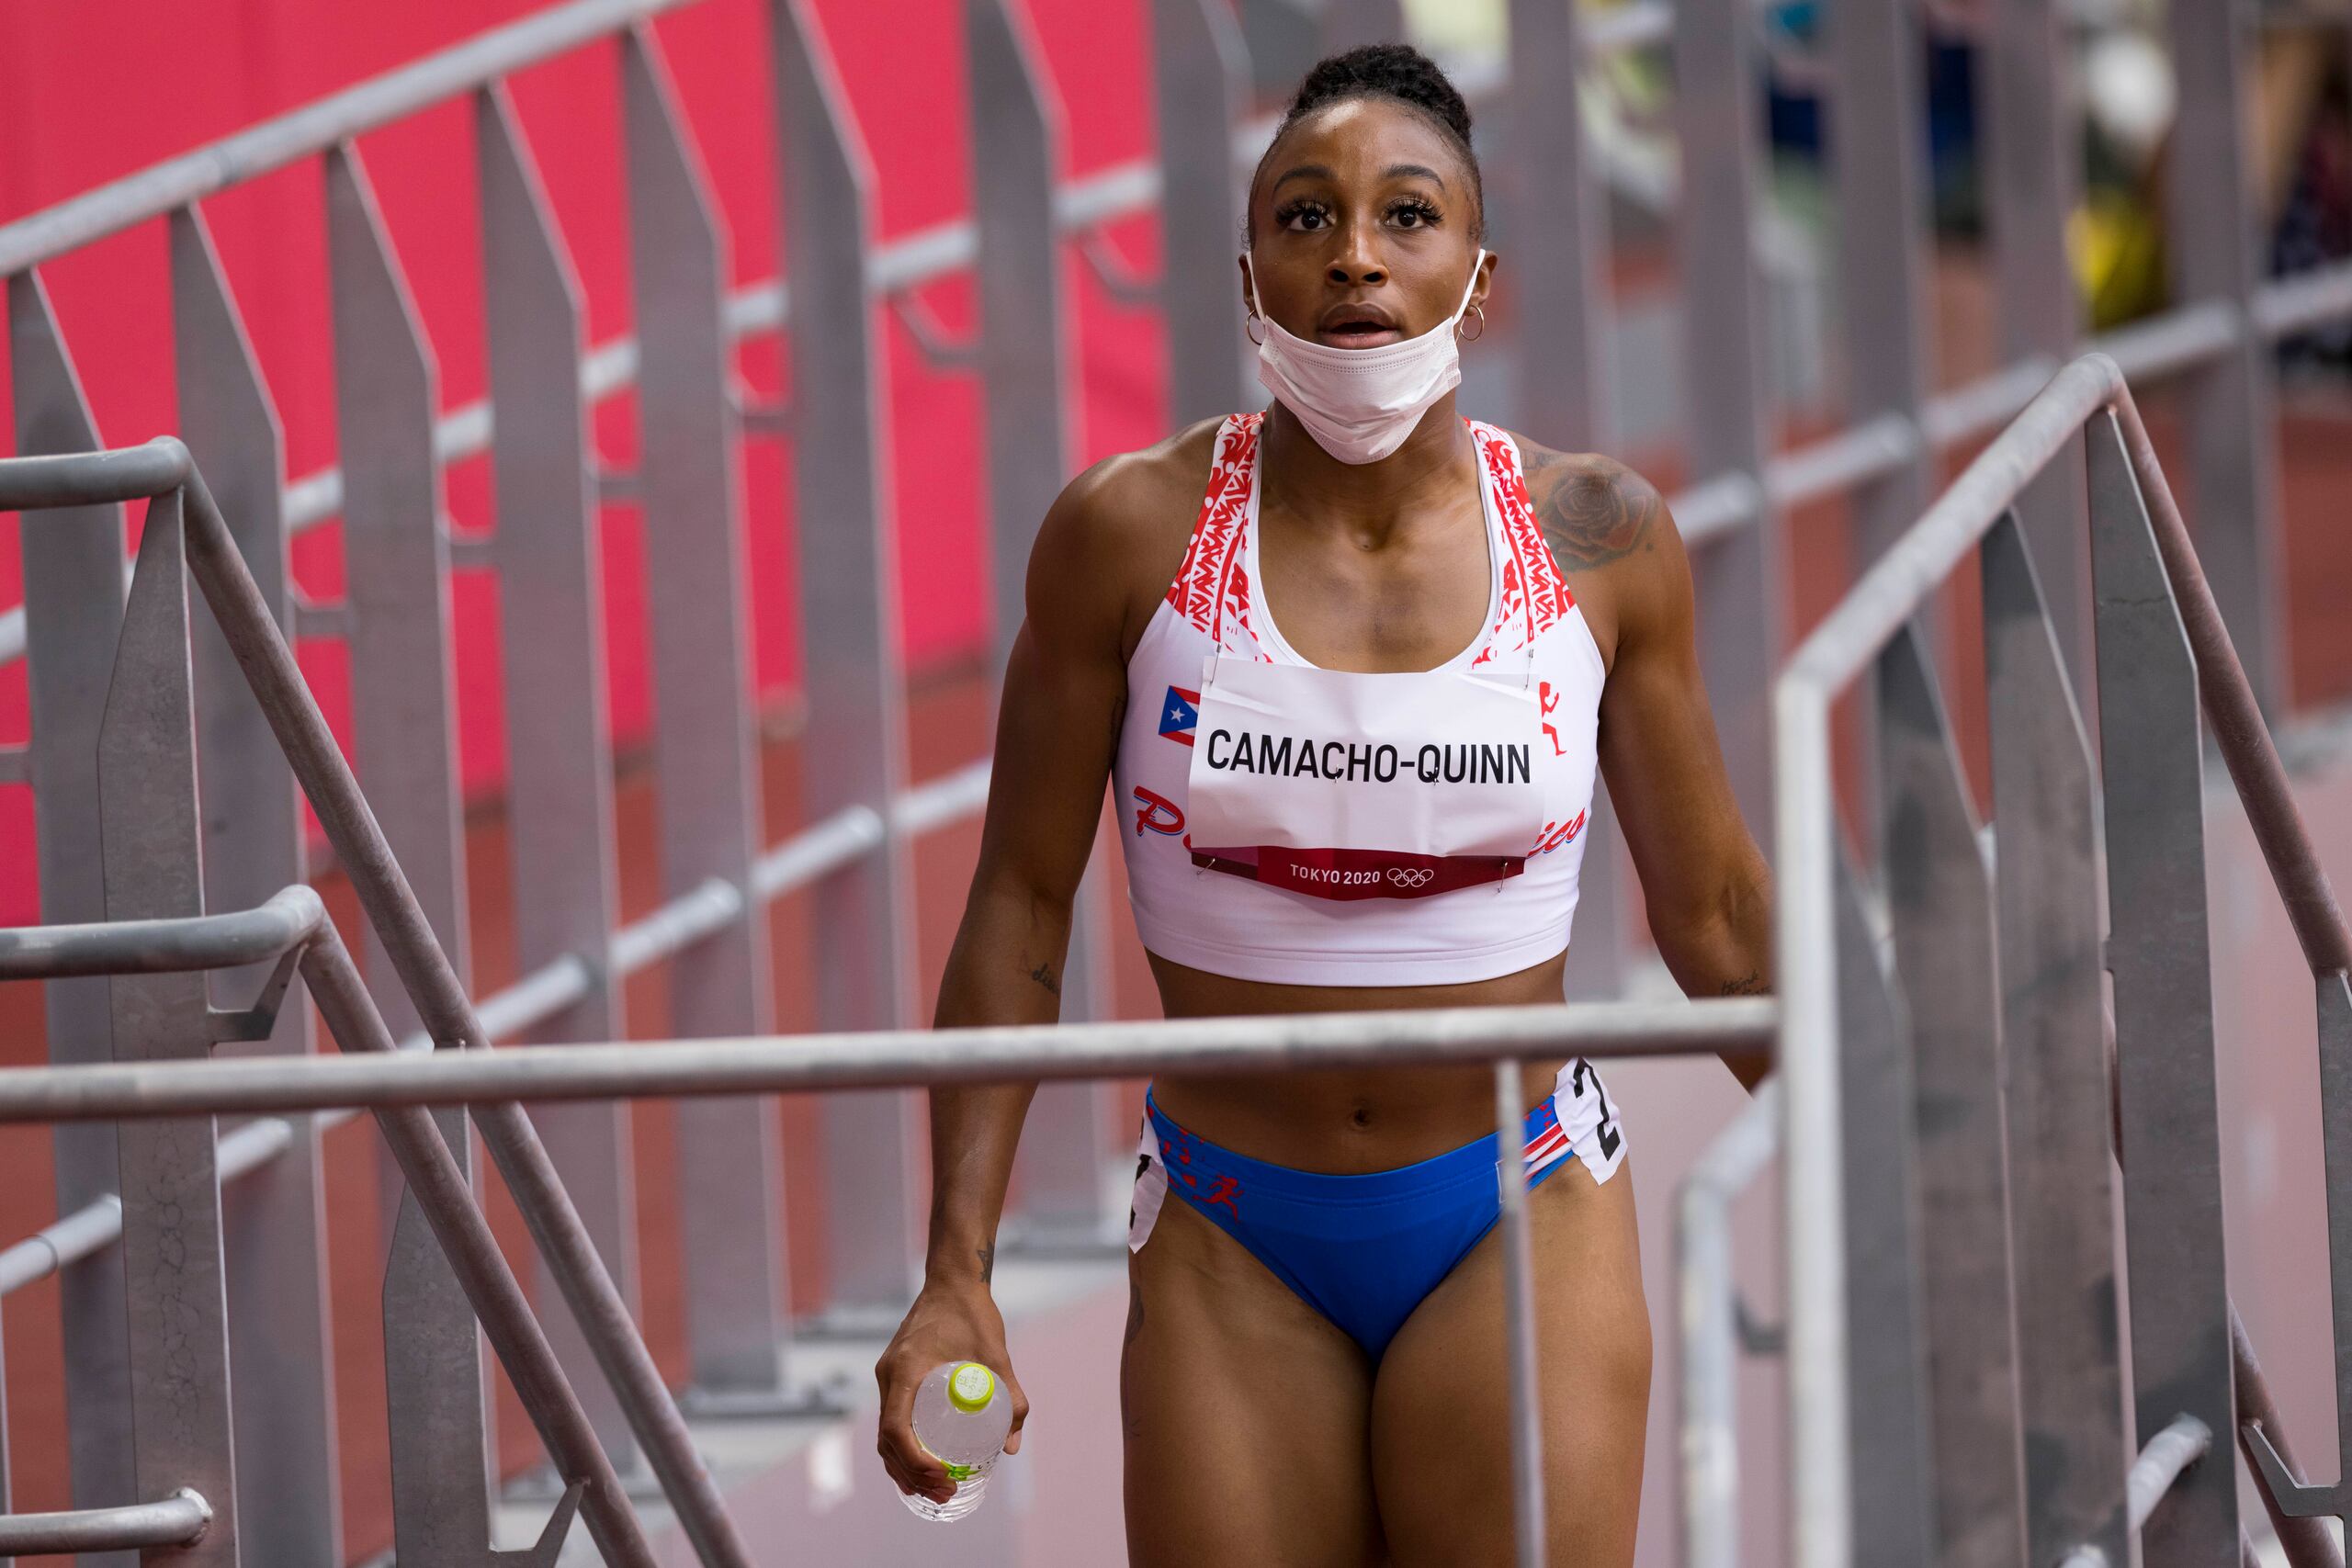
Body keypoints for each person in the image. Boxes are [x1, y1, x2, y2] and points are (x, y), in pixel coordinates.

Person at [875, 42, 1771, 1566]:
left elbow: (1719, 919)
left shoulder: (1600, 538)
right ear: (1247, 278)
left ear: (1479, 281)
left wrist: (1921, 1170)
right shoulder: (1125, 536)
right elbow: (1020, 907)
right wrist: (955, 1265)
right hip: (1235, 1232)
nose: (1354, 253)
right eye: (1305, 218)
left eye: (1406, 216)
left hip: (1518, 1201)